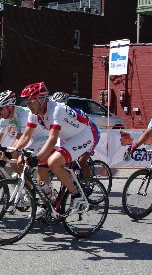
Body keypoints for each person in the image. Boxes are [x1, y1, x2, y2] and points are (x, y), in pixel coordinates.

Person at [14, 82, 99, 214]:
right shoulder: (34, 113)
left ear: (41, 99)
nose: (28, 106)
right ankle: (47, 199)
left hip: (84, 134)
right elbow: (26, 136)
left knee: (53, 162)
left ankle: (77, 196)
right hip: (67, 137)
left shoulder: (56, 110)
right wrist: (12, 151)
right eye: (26, 102)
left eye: (30, 102)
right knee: (41, 164)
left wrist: (36, 157)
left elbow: (52, 139)